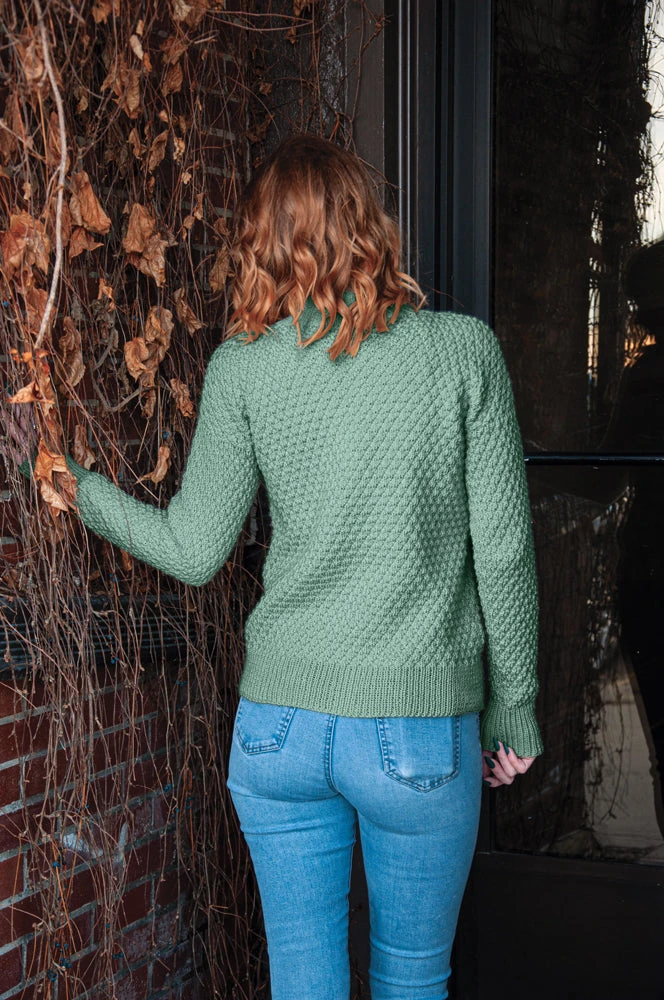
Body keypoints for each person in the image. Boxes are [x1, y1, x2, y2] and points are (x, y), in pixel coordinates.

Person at [3, 134, 543, 1000]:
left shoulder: (244, 368)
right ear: (371, 225)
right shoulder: (461, 352)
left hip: (277, 732)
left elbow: (192, 551)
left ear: (261, 243)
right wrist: (513, 703)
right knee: (411, 983)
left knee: (302, 983)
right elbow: (505, 549)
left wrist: (75, 484)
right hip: (415, 728)